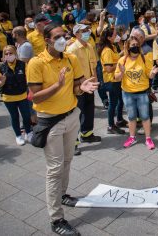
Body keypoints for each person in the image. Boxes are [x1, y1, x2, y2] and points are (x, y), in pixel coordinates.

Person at [27, 23, 98, 235]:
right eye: (57, 36)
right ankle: (56, 219)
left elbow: (77, 86)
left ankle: (63, 195)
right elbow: (35, 96)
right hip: (50, 121)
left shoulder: (70, 58)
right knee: (55, 169)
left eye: (63, 35)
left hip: (72, 116)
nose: (62, 39)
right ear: (47, 40)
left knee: (68, 161)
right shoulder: (36, 62)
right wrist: (57, 86)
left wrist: (82, 88)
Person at [115, 37, 158, 149]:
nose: (135, 46)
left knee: (145, 116)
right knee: (131, 116)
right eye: (132, 45)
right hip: (128, 93)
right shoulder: (122, 60)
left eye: (136, 44)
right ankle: (132, 137)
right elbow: (116, 78)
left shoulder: (144, 58)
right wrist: (121, 72)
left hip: (142, 93)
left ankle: (148, 139)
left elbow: (149, 75)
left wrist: (153, 73)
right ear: (128, 47)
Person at [67, 24, 101, 143]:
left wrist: (95, 80)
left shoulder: (90, 46)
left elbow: (94, 65)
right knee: (76, 113)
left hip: (89, 84)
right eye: (83, 31)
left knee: (89, 109)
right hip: (78, 86)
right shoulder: (72, 50)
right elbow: (71, 71)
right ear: (76, 34)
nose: (87, 32)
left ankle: (87, 134)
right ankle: (73, 142)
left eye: (87, 30)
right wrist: (80, 84)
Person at [0, 45, 32, 146]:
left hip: (22, 95)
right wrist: (2, 82)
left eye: (11, 53)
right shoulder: (1, 68)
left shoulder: (23, 64)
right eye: (6, 54)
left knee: (26, 115)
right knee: (14, 116)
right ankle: (18, 135)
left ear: (15, 54)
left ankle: (28, 132)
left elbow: (28, 78)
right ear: (4, 55)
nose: (9, 55)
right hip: (8, 97)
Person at [98, 28, 126, 135]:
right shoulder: (107, 51)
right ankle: (111, 125)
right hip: (111, 80)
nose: (117, 36)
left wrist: (122, 48)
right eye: (115, 35)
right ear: (109, 38)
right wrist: (120, 65)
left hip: (117, 78)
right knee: (113, 103)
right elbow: (109, 68)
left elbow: (118, 56)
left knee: (120, 100)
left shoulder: (112, 47)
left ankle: (119, 120)